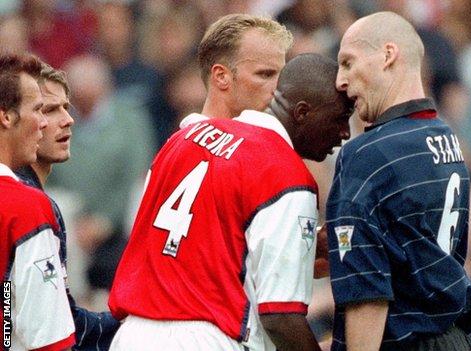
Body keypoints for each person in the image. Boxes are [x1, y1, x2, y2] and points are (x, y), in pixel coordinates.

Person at [108, 53, 353, 351]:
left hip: (131, 336)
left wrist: (302, 250)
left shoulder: (185, 136)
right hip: (210, 339)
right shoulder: (287, 175)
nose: (345, 133)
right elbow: (281, 316)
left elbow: (190, 242)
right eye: (340, 118)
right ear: (302, 112)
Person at [326, 11, 471, 350]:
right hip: (454, 339)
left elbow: (367, 293)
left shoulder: (368, 154)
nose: (340, 80)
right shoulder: (445, 138)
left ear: (387, 56)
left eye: (348, 63)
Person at [15, 63, 120, 350]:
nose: (68, 119)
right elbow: (50, 331)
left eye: (66, 107)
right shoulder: (28, 204)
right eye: (48, 110)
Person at [0, 53, 75, 350]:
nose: (44, 123)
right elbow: (49, 340)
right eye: (40, 110)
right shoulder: (25, 207)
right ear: (6, 116)